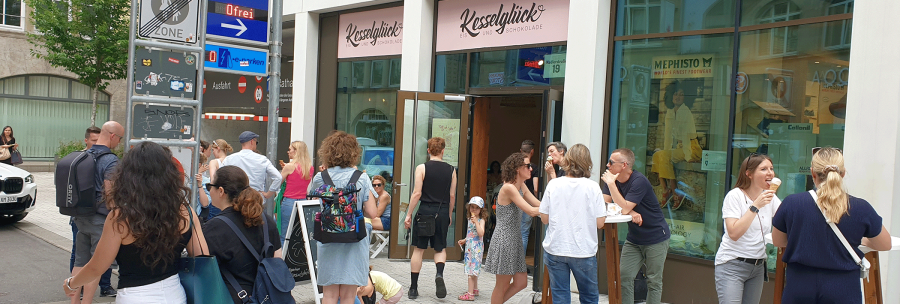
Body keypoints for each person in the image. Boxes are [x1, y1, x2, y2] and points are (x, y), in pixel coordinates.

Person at [62, 141, 209, 303]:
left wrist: (72, 283)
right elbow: (202, 256)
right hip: (174, 293)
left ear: (128, 175)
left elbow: (98, 265)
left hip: (134, 296)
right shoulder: (185, 211)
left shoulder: (121, 217)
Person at [773, 147, 892, 303]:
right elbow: (885, 244)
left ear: (812, 173)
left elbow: (778, 241)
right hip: (843, 287)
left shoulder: (792, 203)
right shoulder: (861, 207)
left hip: (800, 284)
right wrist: (862, 241)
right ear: (842, 173)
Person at [311, 131, 378, 304]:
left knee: (329, 295)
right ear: (354, 153)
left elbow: (313, 201)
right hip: (354, 239)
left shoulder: (320, 177)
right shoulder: (361, 178)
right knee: (349, 296)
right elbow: (372, 212)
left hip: (328, 238)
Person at [202, 166, 283, 304]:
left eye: (210, 186)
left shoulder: (213, 228)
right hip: (268, 297)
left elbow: (203, 271)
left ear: (221, 191)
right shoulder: (266, 220)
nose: (209, 190)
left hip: (232, 298)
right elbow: (277, 261)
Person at [601, 148, 670, 304]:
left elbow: (623, 207)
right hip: (634, 238)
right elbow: (603, 205)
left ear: (624, 165)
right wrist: (631, 213)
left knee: (654, 281)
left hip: (656, 237)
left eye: (611, 162)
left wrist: (626, 208)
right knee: (624, 276)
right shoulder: (612, 181)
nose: (607, 165)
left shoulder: (639, 181)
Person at [540, 144, 607, 304]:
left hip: (556, 247)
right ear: (587, 163)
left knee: (560, 296)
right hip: (583, 250)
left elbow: (544, 218)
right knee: (589, 297)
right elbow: (600, 223)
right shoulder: (593, 187)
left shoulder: (554, 184)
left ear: (568, 160)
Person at [714, 154, 782, 304]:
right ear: (749, 174)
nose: (770, 173)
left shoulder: (770, 197)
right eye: (764, 169)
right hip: (732, 265)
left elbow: (786, 220)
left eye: (771, 168)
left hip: (757, 267)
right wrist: (755, 206)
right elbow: (733, 233)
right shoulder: (734, 196)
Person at [69, 121, 124, 304]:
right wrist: (116, 213)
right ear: (112, 136)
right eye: (120, 139)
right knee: (95, 266)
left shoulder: (85, 155)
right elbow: (109, 190)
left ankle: (74, 301)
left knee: (79, 263)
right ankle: (87, 303)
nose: (119, 143)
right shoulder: (111, 160)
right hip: (99, 220)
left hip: (80, 217)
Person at [403, 137, 457, 300]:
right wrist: (448, 215)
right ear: (443, 151)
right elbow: (452, 195)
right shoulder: (451, 170)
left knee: (418, 250)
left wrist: (409, 213)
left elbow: (417, 193)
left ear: (428, 151)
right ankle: (439, 274)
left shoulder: (422, 168)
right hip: (441, 212)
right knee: (440, 248)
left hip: (425, 211)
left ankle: (413, 288)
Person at [483, 152, 541, 304]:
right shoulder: (508, 188)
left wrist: (552, 206)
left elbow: (537, 204)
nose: (531, 169)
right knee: (501, 286)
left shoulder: (520, 185)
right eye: (528, 166)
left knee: (521, 282)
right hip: (505, 239)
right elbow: (531, 210)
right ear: (517, 169)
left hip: (514, 239)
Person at [651, 81, 702, 209]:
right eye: (675, 94)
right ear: (670, 96)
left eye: (681, 94)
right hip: (678, 149)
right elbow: (668, 136)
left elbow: (686, 136)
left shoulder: (686, 112)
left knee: (663, 156)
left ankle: (675, 192)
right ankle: (665, 190)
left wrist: (689, 155)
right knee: (658, 155)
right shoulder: (669, 112)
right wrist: (666, 151)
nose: (678, 97)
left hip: (690, 147)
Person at [223, 131, 282, 200]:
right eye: (256, 142)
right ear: (252, 141)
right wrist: (268, 194)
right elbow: (278, 177)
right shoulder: (262, 159)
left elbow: (221, 177)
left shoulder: (229, 159)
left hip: (236, 198)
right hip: (256, 198)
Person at [279, 140, 314, 243]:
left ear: (296, 151)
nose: (288, 151)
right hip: (303, 201)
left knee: (284, 233)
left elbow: (277, 183)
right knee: (298, 233)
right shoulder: (309, 168)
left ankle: (281, 257)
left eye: (290, 149)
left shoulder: (289, 166)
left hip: (289, 201)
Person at [456, 196, 487, 301]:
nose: (473, 210)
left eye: (476, 208)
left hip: (476, 249)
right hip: (469, 247)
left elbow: (480, 233)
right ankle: (475, 289)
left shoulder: (481, 220)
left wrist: (477, 223)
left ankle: (470, 294)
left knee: (472, 271)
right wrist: (465, 240)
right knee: (472, 269)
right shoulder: (470, 219)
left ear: (481, 210)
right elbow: (471, 234)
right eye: (472, 207)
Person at [519, 140, 540, 253]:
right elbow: (536, 188)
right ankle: (520, 263)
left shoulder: (515, 167)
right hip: (529, 203)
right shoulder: (535, 168)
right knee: (524, 233)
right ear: (532, 152)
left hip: (517, 202)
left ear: (521, 151)